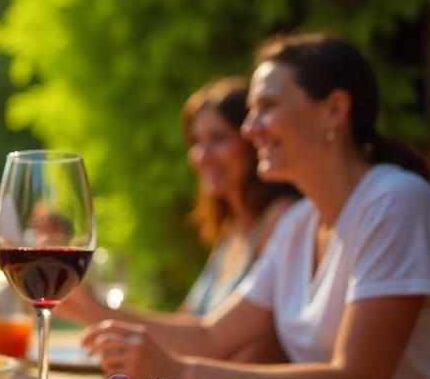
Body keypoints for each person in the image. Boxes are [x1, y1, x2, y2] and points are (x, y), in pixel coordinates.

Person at [83, 34, 430, 379]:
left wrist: (182, 371)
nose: (250, 129)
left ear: (335, 110)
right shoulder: (299, 225)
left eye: (266, 106)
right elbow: (211, 334)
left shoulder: (395, 200)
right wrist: (84, 306)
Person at [58, 78, 298, 334]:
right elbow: (187, 326)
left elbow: (228, 341)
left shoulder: (280, 218)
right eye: (195, 142)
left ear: (251, 141)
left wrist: (97, 312)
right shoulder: (231, 231)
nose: (202, 156)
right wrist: (88, 310)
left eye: (218, 138)